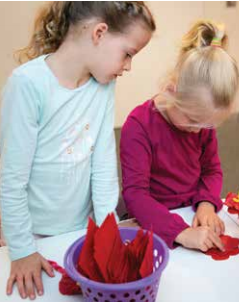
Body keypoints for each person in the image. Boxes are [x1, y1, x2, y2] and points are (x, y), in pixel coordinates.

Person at [0, 1, 155, 299]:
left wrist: (108, 228)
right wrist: (22, 251)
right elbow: (11, 179)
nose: (127, 67)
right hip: (31, 236)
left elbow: (103, 163)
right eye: (128, 54)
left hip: (79, 229)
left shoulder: (102, 86)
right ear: (99, 33)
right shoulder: (27, 85)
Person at [120, 20, 239, 253]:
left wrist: (205, 204)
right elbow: (135, 195)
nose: (198, 130)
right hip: (156, 220)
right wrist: (181, 233)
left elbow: (211, 169)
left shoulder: (201, 124)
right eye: (193, 121)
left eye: (207, 124)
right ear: (171, 91)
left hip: (191, 211)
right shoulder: (138, 126)